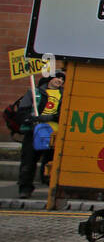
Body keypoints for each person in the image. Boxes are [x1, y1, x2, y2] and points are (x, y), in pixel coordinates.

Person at [16, 71, 64, 199]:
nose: (60, 80)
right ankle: (25, 188)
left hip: (54, 133)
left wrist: (52, 117)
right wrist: (31, 119)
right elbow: (23, 110)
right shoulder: (34, 92)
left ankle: (49, 185)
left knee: (49, 161)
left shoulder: (64, 95)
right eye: (57, 78)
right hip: (34, 131)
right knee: (29, 160)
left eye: (62, 79)